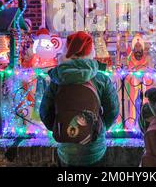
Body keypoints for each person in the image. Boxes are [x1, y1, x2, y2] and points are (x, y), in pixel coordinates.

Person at [40, 31, 119, 167]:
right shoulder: (101, 79)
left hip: (66, 148)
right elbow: (113, 111)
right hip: (95, 148)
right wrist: (99, 129)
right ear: (91, 52)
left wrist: (60, 127)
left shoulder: (57, 79)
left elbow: (45, 113)